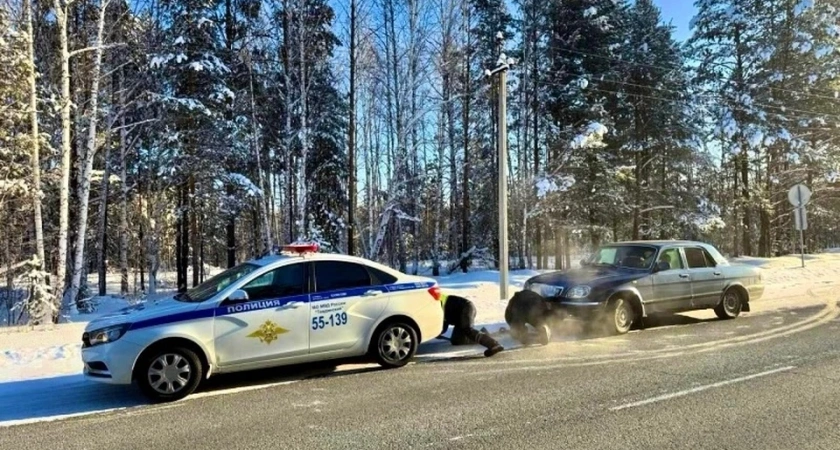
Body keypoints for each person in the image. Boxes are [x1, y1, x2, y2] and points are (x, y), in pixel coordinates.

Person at [439, 293, 504, 357]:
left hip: (466, 307)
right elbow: (442, 326)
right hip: (459, 316)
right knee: (457, 341)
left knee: (467, 329)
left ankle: (494, 344)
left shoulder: (435, 301)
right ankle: (484, 335)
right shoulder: (437, 307)